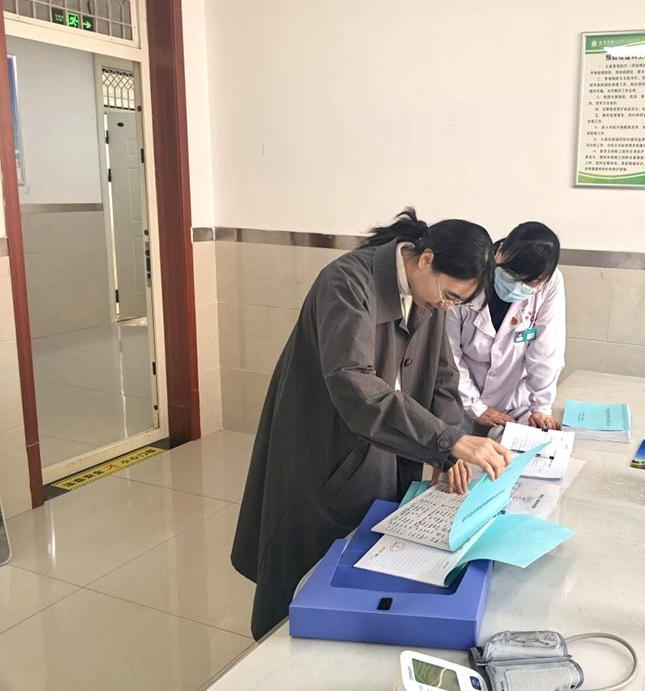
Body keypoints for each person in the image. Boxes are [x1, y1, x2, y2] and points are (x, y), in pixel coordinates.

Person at [231, 208, 512, 639]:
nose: (447, 306)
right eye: (449, 295)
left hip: (387, 444)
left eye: (456, 301)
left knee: (364, 562)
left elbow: (442, 379)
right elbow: (352, 381)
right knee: (307, 569)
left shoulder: (429, 295)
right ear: (425, 259)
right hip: (326, 445)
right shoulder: (346, 281)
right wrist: (445, 440)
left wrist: (452, 444)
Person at [445, 221, 566, 437]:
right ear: (499, 252)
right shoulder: (470, 273)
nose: (518, 285)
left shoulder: (551, 282)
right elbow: (449, 353)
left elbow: (547, 349)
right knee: (459, 454)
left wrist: (541, 406)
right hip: (461, 400)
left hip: (514, 403)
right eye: (512, 274)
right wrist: (475, 407)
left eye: (531, 283)